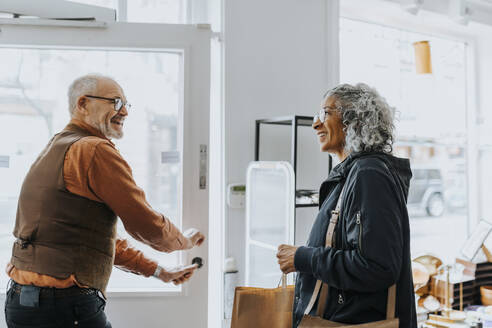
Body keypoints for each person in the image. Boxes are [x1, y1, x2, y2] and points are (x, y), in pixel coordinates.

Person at [4, 74, 205, 328]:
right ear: (83, 104)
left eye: (126, 105)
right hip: (63, 305)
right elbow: (147, 225)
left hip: (22, 302)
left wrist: (158, 271)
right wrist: (184, 241)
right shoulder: (94, 150)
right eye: (116, 102)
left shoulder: (58, 146)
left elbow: (89, 240)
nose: (125, 112)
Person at [276, 83, 417, 327]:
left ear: (355, 120)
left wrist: (304, 258)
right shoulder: (355, 174)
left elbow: (377, 266)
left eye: (325, 113)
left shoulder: (368, 175)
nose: (315, 124)